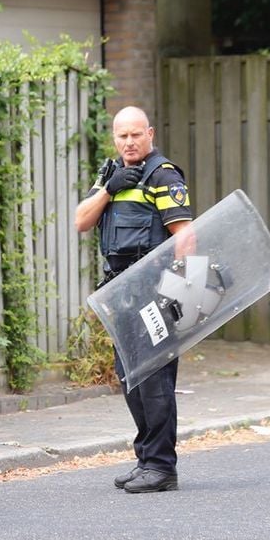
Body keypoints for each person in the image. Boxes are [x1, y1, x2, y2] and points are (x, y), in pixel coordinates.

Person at [74, 105, 193, 494]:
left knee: (155, 381)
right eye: (122, 135)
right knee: (131, 380)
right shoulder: (111, 175)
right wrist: (109, 189)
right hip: (122, 294)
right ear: (115, 138)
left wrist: (175, 295)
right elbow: (81, 220)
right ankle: (146, 459)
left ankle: (162, 466)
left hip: (154, 295)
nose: (129, 142)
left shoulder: (163, 175)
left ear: (150, 134)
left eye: (136, 134)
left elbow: (185, 239)